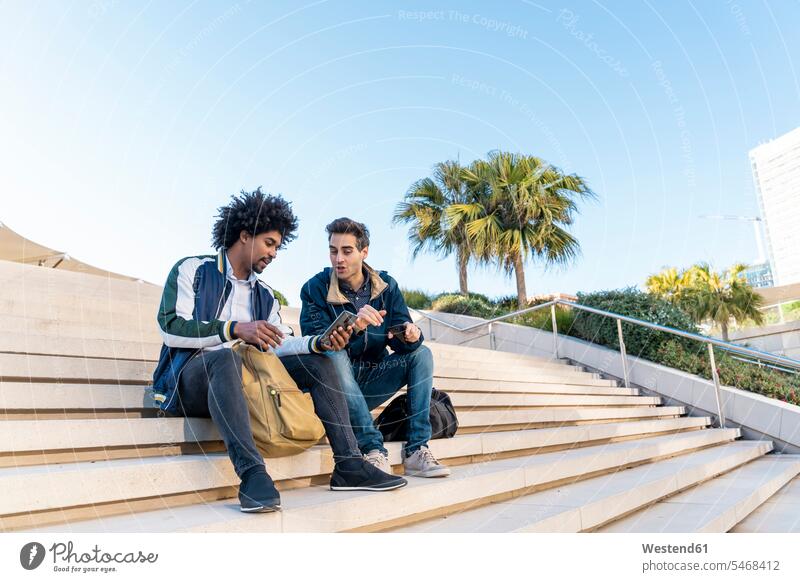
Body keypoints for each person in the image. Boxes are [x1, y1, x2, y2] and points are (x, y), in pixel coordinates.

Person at [151, 190, 407, 514]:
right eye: (270, 243)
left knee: (320, 361)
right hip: (189, 379)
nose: (274, 253)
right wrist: (233, 329)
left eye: (277, 246)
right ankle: (253, 473)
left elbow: (281, 342)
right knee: (224, 356)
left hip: (245, 382)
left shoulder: (267, 296)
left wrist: (319, 342)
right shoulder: (194, 270)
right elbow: (170, 326)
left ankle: (349, 464)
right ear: (245, 235)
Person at [299, 217, 451, 478]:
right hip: (334, 387)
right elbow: (317, 345)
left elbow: (398, 336)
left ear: (364, 252)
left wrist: (411, 336)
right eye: (333, 251)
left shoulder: (387, 287)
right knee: (334, 356)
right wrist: (354, 327)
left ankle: (416, 450)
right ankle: (372, 448)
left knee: (421, 354)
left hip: (372, 379)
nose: (339, 259)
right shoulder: (315, 288)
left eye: (347, 251)